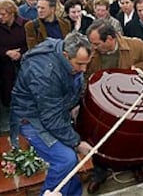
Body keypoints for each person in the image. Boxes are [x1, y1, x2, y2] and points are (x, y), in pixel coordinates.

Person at [10, 32, 93, 196]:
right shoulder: (44, 74)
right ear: (65, 55)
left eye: (86, 64)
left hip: (53, 111)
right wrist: (77, 143)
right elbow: (51, 118)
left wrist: (74, 105)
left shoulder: (65, 52)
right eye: (80, 64)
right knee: (65, 160)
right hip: (30, 118)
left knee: (70, 161)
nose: (84, 69)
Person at [85, 19, 143, 193]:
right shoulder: (91, 51)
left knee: (132, 136)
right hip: (101, 104)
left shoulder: (135, 45)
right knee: (99, 136)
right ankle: (100, 171)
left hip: (129, 101)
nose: (93, 47)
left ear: (111, 39)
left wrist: (136, 69)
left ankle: (135, 165)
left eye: (97, 43)